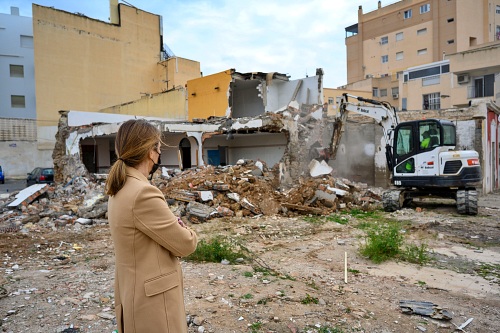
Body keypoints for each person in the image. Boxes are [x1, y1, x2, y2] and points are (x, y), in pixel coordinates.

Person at [106, 119, 198, 333]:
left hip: (133, 293)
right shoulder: (143, 192)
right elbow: (186, 244)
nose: (159, 153)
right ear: (150, 151)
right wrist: (186, 230)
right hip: (154, 303)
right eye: (158, 147)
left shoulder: (120, 187)